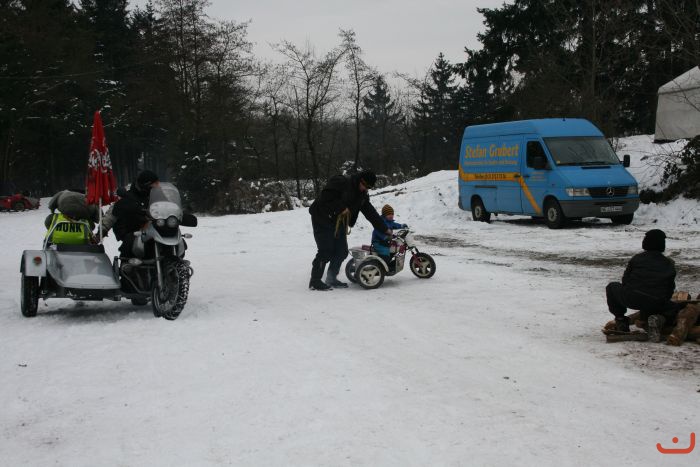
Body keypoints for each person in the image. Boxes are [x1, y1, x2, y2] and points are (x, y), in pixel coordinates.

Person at [308, 170, 391, 290]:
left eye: (368, 187)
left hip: (339, 221)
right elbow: (325, 197)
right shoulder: (341, 182)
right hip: (322, 217)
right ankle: (315, 281)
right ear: (360, 180)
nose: (365, 189)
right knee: (326, 250)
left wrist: (385, 229)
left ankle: (331, 278)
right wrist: (341, 208)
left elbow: (371, 213)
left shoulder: (362, 195)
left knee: (342, 251)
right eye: (365, 185)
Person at [606, 229, 682, 342]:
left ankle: (621, 320)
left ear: (645, 242)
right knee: (674, 308)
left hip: (632, 298)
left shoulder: (637, 259)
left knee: (612, 287)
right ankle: (658, 319)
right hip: (656, 301)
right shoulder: (668, 263)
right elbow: (669, 289)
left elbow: (625, 280)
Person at [108, 170, 160, 257]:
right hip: (133, 231)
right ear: (147, 184)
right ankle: (128, 263)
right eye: (155, 183)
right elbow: (111, 216)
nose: (158, 186)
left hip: (155, 230)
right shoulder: (128, 198)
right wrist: (101, 231)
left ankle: (173, 260)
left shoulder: (157, 195)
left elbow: (167, 206)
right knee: (131, 242)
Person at [371, 204, 408, 269]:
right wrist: (385, 237)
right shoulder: (380, 222)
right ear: (384, 215)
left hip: (385, 241)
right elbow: (377, 232)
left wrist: (401, 226)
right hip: (378, 242)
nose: (391, 215)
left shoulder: (390, 222)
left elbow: (395, 225)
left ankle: (389, 262)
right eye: (388, 214)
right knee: (385, 253)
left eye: (392, 214)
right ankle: (382, 267)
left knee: (394, 249)